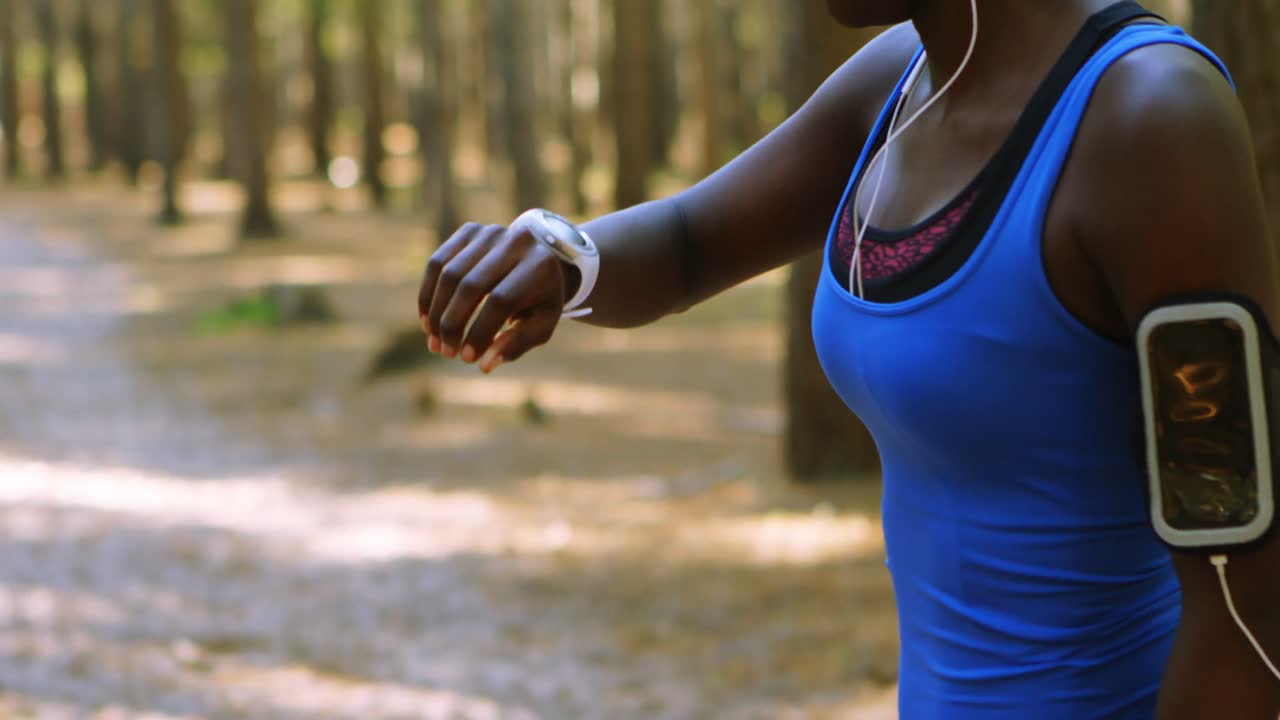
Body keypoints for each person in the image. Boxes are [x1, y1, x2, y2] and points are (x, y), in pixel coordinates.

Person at [417, 1, 1280, 717]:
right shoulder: (900, 79)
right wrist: (560, 259)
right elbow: (690, 245)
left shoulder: (1150, 120)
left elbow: (1249, 587)